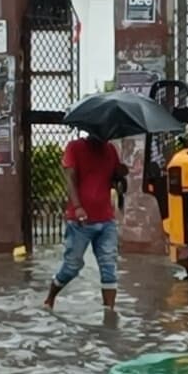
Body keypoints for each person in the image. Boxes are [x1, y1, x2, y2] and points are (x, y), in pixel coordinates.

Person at [43, 131, 127, 311]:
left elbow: (114, 181)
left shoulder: (110, 150)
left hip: (106, 220)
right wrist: (77, 206)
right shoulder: (74, 148)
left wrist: (120, 174)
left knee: (109, 267)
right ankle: (50, 299)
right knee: (71, 267)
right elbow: (70, 179)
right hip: (80, 221)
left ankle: (109, 314)